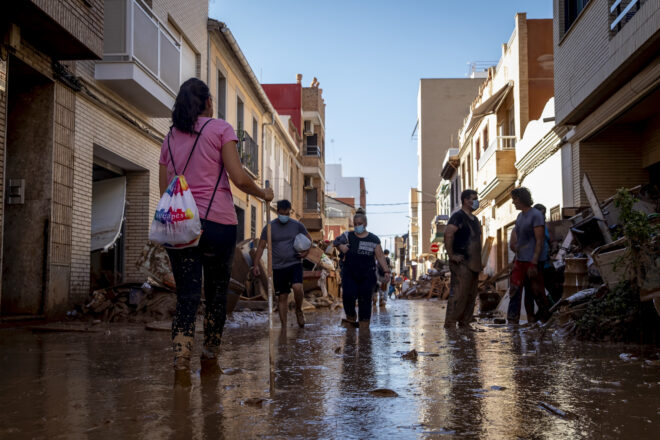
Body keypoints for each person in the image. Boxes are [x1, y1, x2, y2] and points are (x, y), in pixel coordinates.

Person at [159, 78, 273, 373]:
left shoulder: (170, 137)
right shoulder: (220, 129)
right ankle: (210, 355)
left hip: (180, 225)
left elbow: (166, 189)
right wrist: (263, 194)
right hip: (217, 224)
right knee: (216, 293)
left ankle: (181, 360)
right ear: (208, 102)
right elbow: (239, 178)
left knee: (187, 295)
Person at [253, 199, 311, 329]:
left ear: (290, 212)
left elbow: (309, 240)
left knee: (297, 287)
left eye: (287, 213)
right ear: (277, 211)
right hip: (278, 267)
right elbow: (261, 247)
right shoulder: (269, 227)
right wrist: (256, 265)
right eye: (282, 213)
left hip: (294, 263)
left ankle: (298, 309)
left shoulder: (296, 225)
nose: (285, 216)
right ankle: (284, 328)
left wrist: (306, 252)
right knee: (282, 297)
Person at [334, 208, 390, 330]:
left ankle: (364, 327)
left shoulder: (373, 239)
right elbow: (336, 242)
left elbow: (380, 256)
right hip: (350, 272)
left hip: (367, 274)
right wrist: (341, 247)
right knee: (348, 295)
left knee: (365, 299)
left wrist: (386, 271)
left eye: (360, 224)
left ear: (365, 224)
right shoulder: (348, 235)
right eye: (355, 224)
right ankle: (351, 316)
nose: (357, 226)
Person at [507, 188, 552, 325]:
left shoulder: (536, 215)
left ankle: (545, 321)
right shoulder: (520, 217)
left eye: (515, 199)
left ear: (521, 199)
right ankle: (513, 322)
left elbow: (539, 241)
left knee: (536, 292)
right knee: (515, 291)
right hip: (520, 261)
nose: (513, 202)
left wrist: (534, 262)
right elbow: (518, 240)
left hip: (532, 261)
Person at [443, 189, 483, 329]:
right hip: (461, 262)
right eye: (474, 198)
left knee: (471, 294)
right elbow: (448, 235)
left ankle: (465, 322)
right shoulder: (457, 217)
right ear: (466, 200)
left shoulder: (475, 219)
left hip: (474, 263)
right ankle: (450, 323)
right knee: (459, 293)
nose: (476, 201)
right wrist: (452, 255)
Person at [533, 204, 562, 304]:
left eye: (544, 214)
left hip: (546, 265)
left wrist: (554, 248)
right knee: (538, 293)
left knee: (555, 288)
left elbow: (553, 240)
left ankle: (559, 310)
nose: (544, 217)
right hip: (534, 266)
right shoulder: (529, 227)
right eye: (542, 215)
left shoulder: (545, 227)